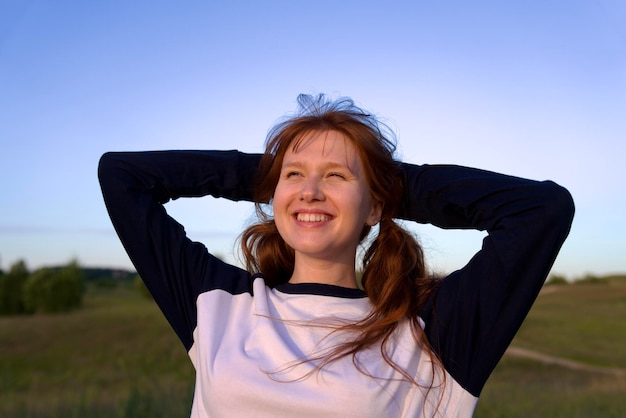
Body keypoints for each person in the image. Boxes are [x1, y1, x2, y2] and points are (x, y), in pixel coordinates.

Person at [98, 94, 574, 417]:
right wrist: (271, 173)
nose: (309, 192)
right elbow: (122, 176)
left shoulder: (433, 331)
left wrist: (382, 183)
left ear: (376, 205)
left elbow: (541, 210)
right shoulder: (217, 304)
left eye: (335, 177)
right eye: (294, 176)